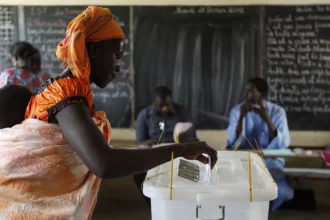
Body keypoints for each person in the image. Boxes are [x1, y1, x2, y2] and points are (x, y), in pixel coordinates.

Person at [0, 6, 217, 219]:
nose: (118, 67)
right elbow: (104, 163)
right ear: (94, 51)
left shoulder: (67, 92)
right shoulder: (66, 93)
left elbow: (96, 151)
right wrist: (180, 149)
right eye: (116, 56)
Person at [226, 77, 293, 212]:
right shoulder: (237, 111)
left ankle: (264, 211)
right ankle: (254, 212)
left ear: (261, 94)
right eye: (245, 90)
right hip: (245, 163)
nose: (246, 94)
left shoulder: (277, 112)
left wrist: (267, 119)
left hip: (271, 163)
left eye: (251, 91)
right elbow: (232, 142)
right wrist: (241, 117)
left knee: (285, 193)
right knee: (243, 190)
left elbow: (283, 143)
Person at [134, 86, 199, 205]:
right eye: (160, 106)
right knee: (138, 171)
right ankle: (153, 203)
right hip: (154, 155)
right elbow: (139, 142)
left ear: (172, 101)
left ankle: (182, 202)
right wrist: (149, 142)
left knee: (194, 167)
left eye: (168, 105)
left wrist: (184, 140)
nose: (164, 108)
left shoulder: (182, 112)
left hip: (179, 152)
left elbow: (193, 138)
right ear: (154, 103)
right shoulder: (144, 115)